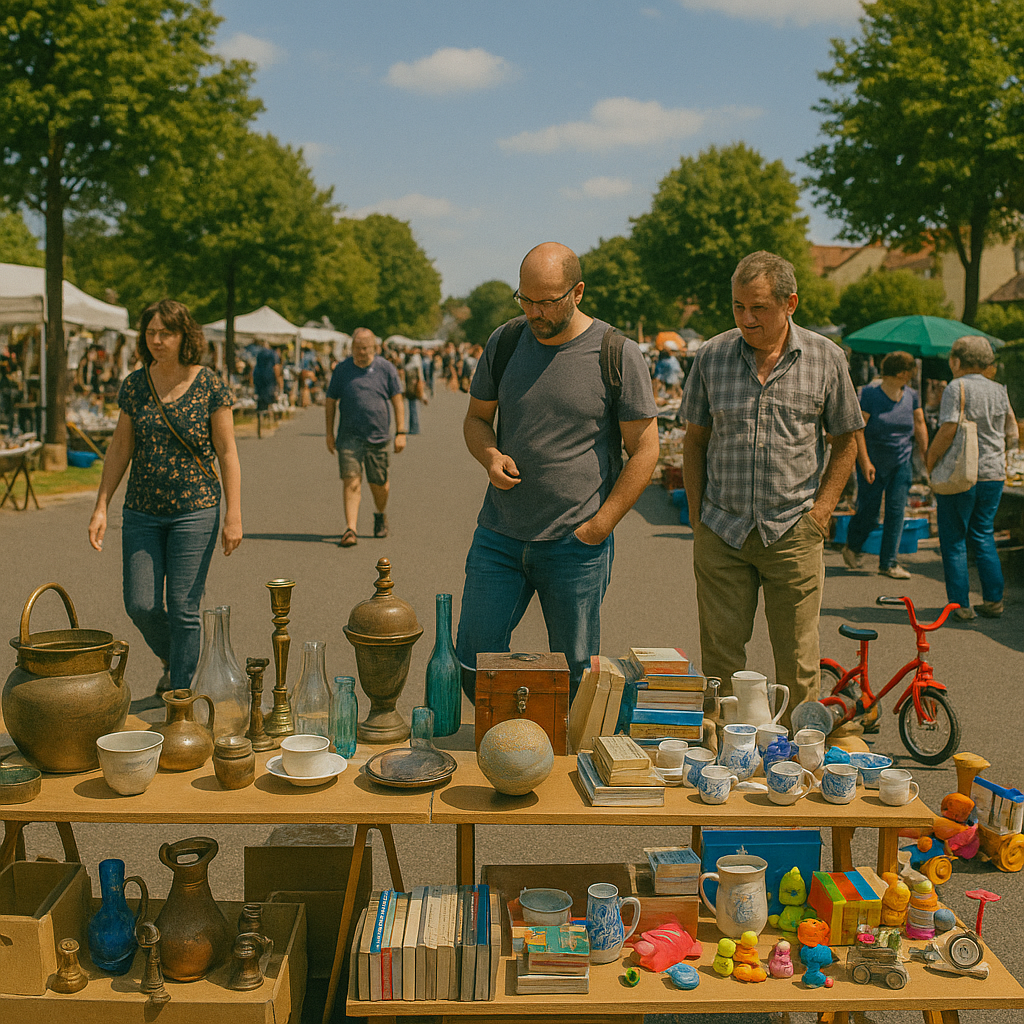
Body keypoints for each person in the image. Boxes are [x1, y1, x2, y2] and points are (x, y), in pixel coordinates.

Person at [455, 241, 659, 700]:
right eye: (525, 299)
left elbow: (645, 450)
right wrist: (489, 456)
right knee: (473, 662)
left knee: (575, 677)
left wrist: (599, 526)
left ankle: (555, 762)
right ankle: (506, 749)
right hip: (499, 536)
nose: (534, 312)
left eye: (547, 302)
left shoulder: (616, 352)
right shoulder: (505, 341)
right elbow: (475, 419)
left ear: (578, 292)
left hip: (575, 544)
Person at [681, 251, 862, 728]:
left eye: (758, 307)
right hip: (723, 528)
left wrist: (821, 513)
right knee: (720, 661)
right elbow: (694, 440)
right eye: (738, 306)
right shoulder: (712, 357)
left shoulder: (826, 357)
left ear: (790, 304)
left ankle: (798, 761)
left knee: (799, 661)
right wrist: (699, 520)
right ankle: (721, 757)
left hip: (793, 529)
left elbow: (846, 441)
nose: (746, 318)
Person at [88, 299, 242, 694]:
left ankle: (180, 696)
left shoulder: (209, 384)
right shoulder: (136, 385)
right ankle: (176, 658)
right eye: (151, 333)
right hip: (142, 511)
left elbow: (227, 452)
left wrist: (234, 515)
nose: (156, 340)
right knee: (140, 604)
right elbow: (120, 448)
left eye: (166, 333)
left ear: (183, 336)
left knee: (184, 609)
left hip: (196, 509)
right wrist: (101, 505)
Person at [926, 336, 1019, 621]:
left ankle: (960, 605)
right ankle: (993, 600)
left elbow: (948, 428)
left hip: (961, 471)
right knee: (983, 534)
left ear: (956, 361)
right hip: (992, 473)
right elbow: (1012, 431)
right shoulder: (999, 390)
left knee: (954, 539)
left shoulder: (957, 387)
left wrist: (930, 460)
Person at [842, 351, 930, 579]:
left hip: (901, 462)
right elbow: (858, 429)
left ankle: (889, 563)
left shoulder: (911, 395)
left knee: (896, 511)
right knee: (869, 512)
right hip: (872, 462)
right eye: (911, 371)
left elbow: (919, 423)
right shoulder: (870, 394)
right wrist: (864, 461)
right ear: (903, 372)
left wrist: (927, 455)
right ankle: (853, 545)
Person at [325, 327, 406, 547]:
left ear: (375, 348)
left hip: (378, 436)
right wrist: (329, 433)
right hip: (349, 437)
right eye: (357, 348)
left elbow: (397, 399)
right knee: (351, 481)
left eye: (365, 348)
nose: (361, 352)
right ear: (351, 348)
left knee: (379, 483)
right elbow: (331, 401)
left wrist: (401, 431)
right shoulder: (342, 370)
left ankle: (380, 514)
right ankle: (350, 528)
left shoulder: (385, 368)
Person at [251, 337, 281, 438]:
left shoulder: (260, 353)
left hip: (259, 378)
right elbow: (276, 368)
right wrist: (279, 381)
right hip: (269, 379)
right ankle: (270, 423)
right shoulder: (273, 354)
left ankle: (260, 421)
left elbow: (254, 367)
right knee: (271, 400)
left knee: (260, 400)